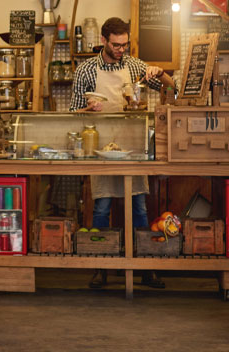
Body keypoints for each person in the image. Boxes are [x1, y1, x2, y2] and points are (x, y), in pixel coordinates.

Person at [69, 18, 174, 289]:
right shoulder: (87, 70)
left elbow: (170, 87)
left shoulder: (134, 65)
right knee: (102, 206)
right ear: (104, 41)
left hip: (133, 146)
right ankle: (101, 266)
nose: (121, 49)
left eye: (125, 44)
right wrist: (87, 110)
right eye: (116, 45)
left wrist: (159, 71)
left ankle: (145, 268)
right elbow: (71, 113)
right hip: (100, 147)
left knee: (138, 205)